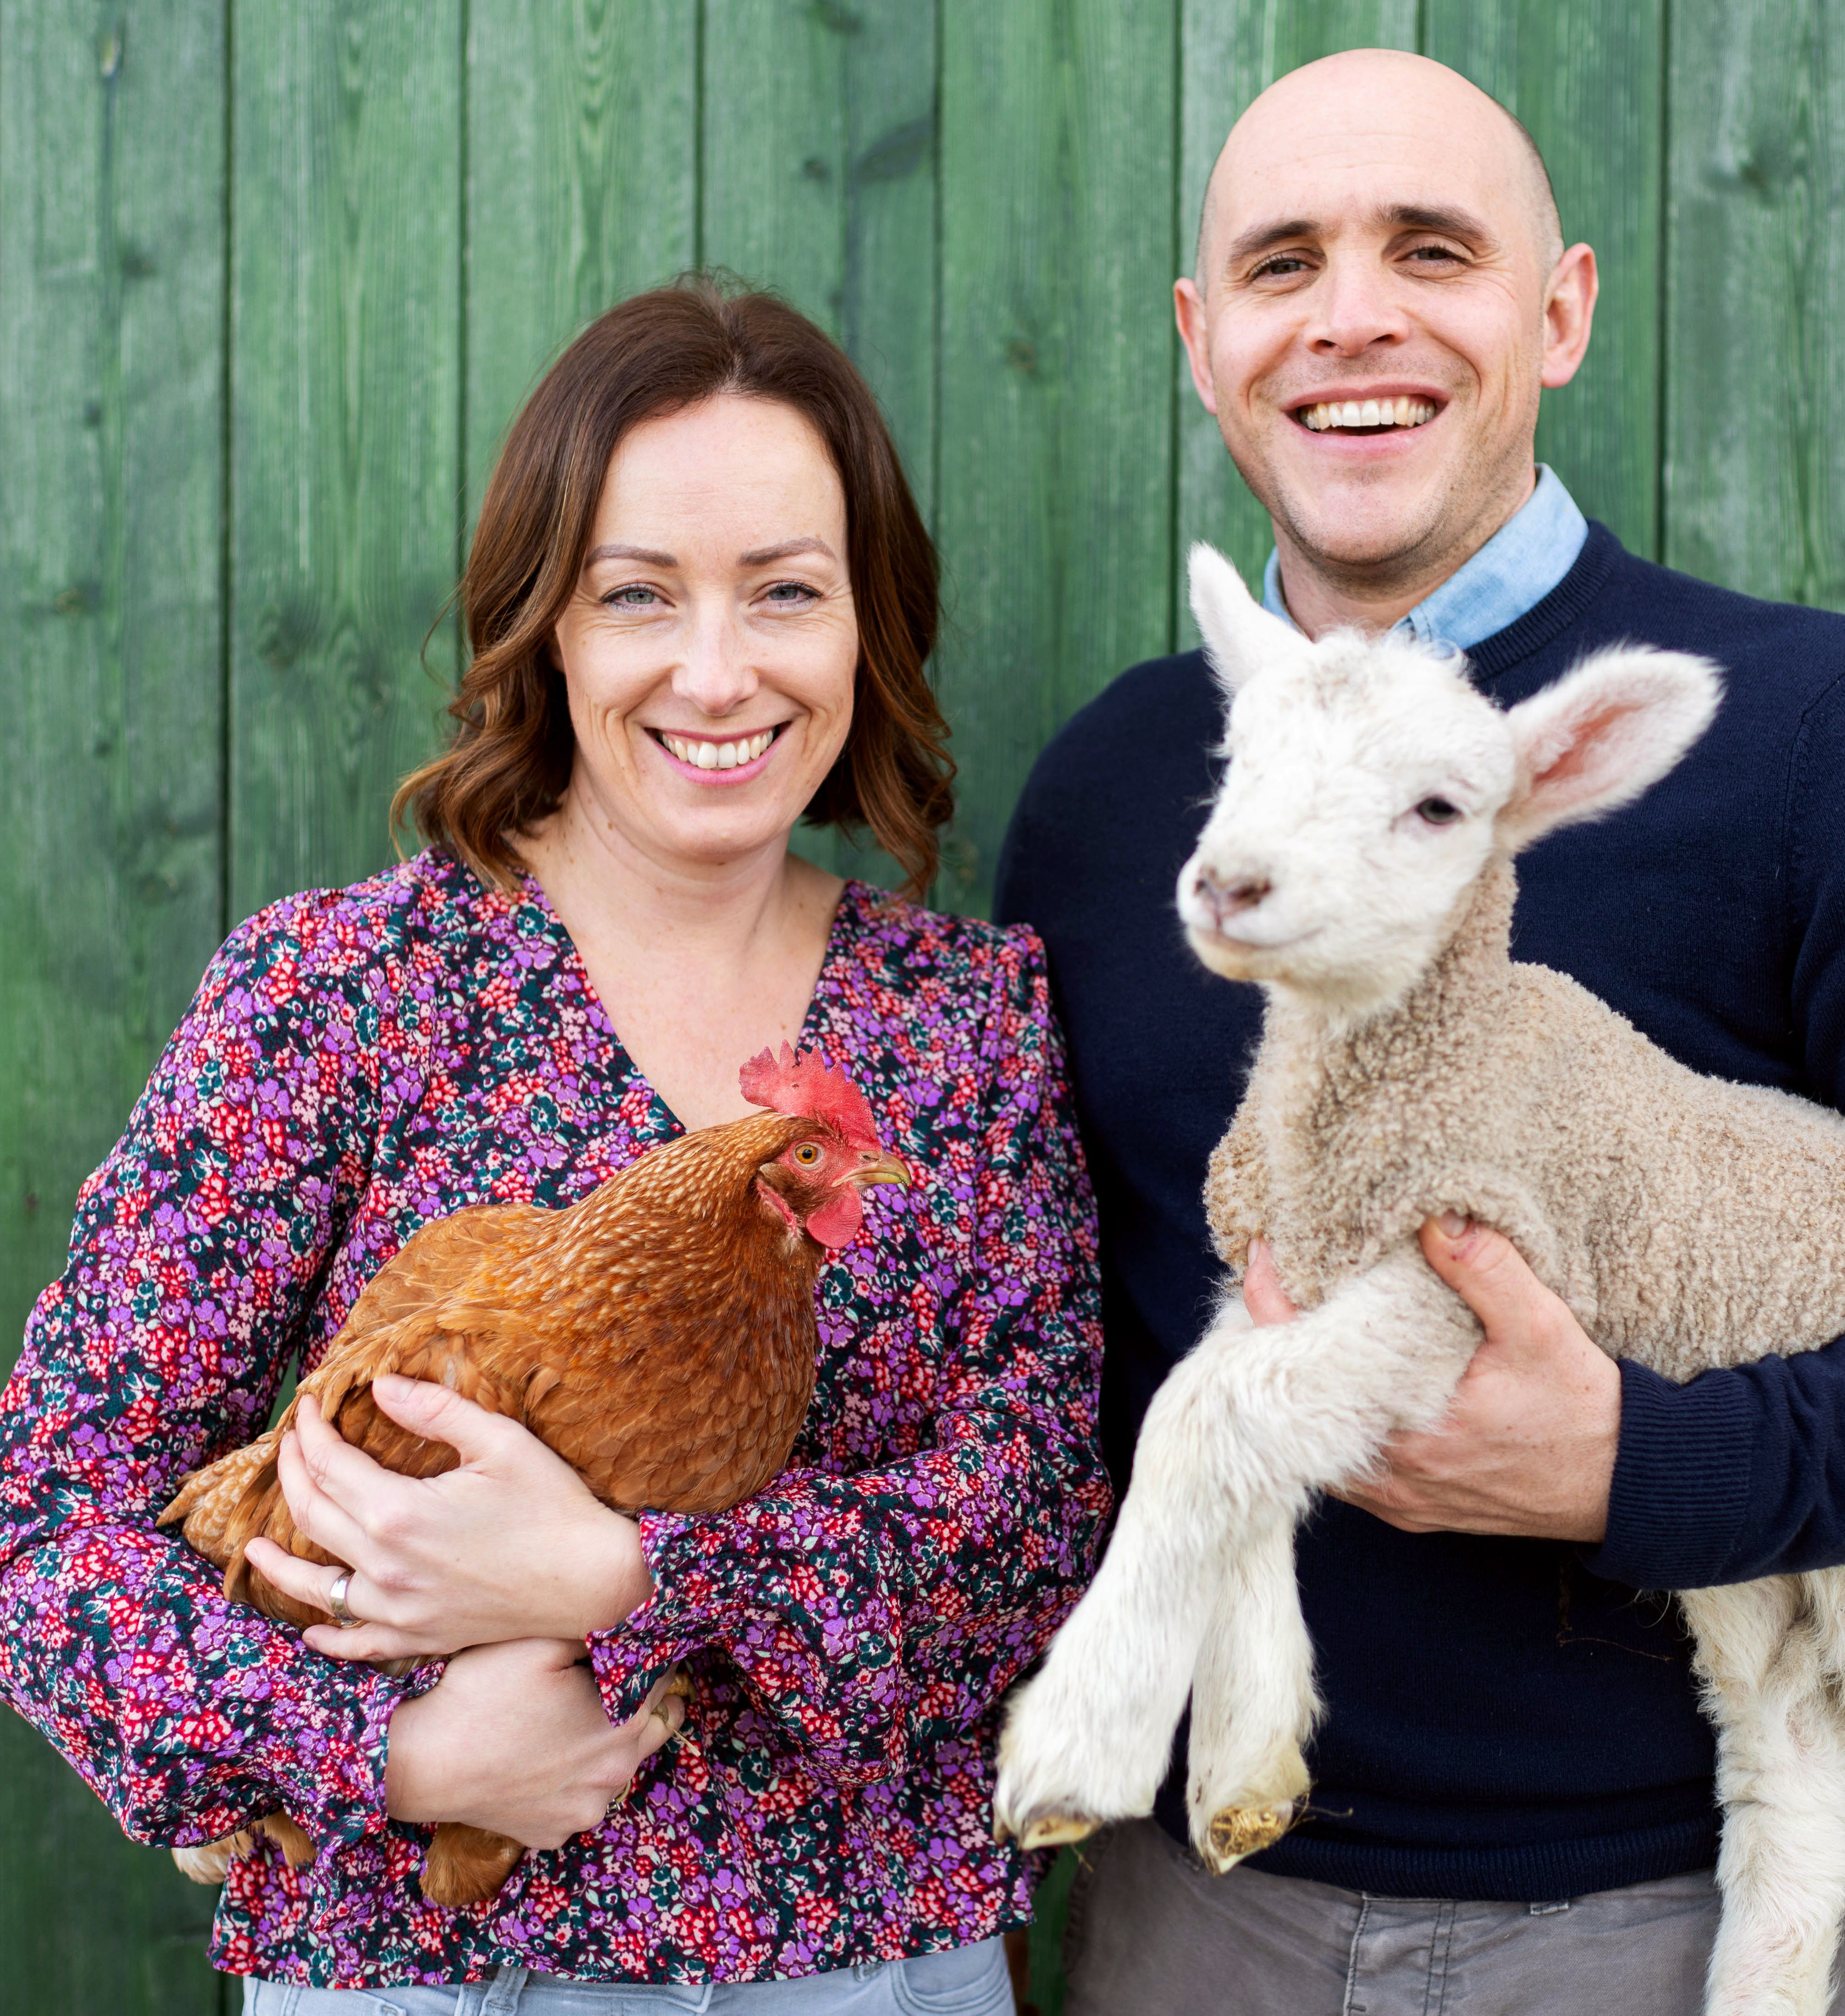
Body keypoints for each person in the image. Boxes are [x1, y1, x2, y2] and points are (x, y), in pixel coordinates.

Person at [997, 49, 1845, 2014]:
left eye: (1431, 250)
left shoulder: (1816, 739)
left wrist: (1655, 1463)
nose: (1351, 317)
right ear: (1203, 340)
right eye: (1282, 264)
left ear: (1561, 310)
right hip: (1199, 1919)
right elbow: (1072, 1333)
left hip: (1674, 1917)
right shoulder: (1117, 794)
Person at [0, 279, 1108, 2011]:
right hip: (424, 1971)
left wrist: (635, 1575)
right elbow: (52, 1526)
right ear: (550, 631)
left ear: (867, 628)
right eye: (637, 592)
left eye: (786, 592)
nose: (717, 671)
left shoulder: (964, 1021)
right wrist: (395, 1751)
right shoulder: (343, 991)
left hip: (868, 1966)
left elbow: (1033, 1531)